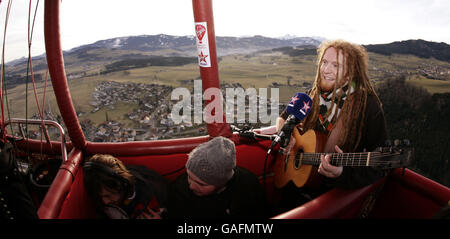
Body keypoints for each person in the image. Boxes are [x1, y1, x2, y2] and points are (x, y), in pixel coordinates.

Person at [276, 39, 388, 209]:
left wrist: (342, 173)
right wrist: (286, 135)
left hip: (331, 199)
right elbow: (283, 118)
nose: (326, 70)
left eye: (336, 66)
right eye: (325, 62)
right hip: (294, 189)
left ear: (350, 73)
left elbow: (380, 163)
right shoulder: (310, 95)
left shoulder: (367, 107)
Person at [168, 136, 266, 219]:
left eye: (201, 184)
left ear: (222, 182)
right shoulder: (179, 190)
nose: (191, 186)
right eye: (189, 176)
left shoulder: (248, 184)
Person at [83, 154, 169, 219]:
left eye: (108, 195)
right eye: (100, 196)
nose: (105, 201)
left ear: (124, 184)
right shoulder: (103, 206)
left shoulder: (154, 189)